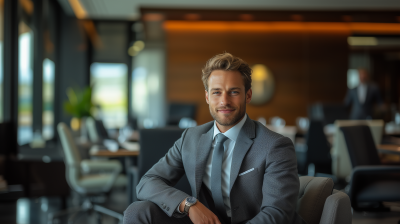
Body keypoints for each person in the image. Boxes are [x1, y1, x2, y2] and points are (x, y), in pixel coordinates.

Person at [123, 53, 305, 224]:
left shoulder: (275, 146)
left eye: (233, 92)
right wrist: (188, 204)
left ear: (247, 95)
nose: (224, 101)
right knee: (138, 211)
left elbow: (277, 213)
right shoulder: (191, 138)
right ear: (207, 96)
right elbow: (147, 182)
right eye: (217, 92)